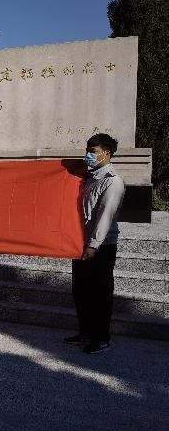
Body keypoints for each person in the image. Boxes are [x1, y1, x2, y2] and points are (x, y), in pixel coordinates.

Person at [66, 133, 126, 354]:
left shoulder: (112, 181)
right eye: (87, 150)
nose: (88, 155)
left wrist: (93, 245)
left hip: (101, 246)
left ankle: (101, 338)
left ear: (106, 154)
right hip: (81, 242)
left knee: (99, 293)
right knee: (80, 290)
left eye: (93, 151)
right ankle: (86, 332)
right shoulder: (89, 177)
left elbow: (105, 217)